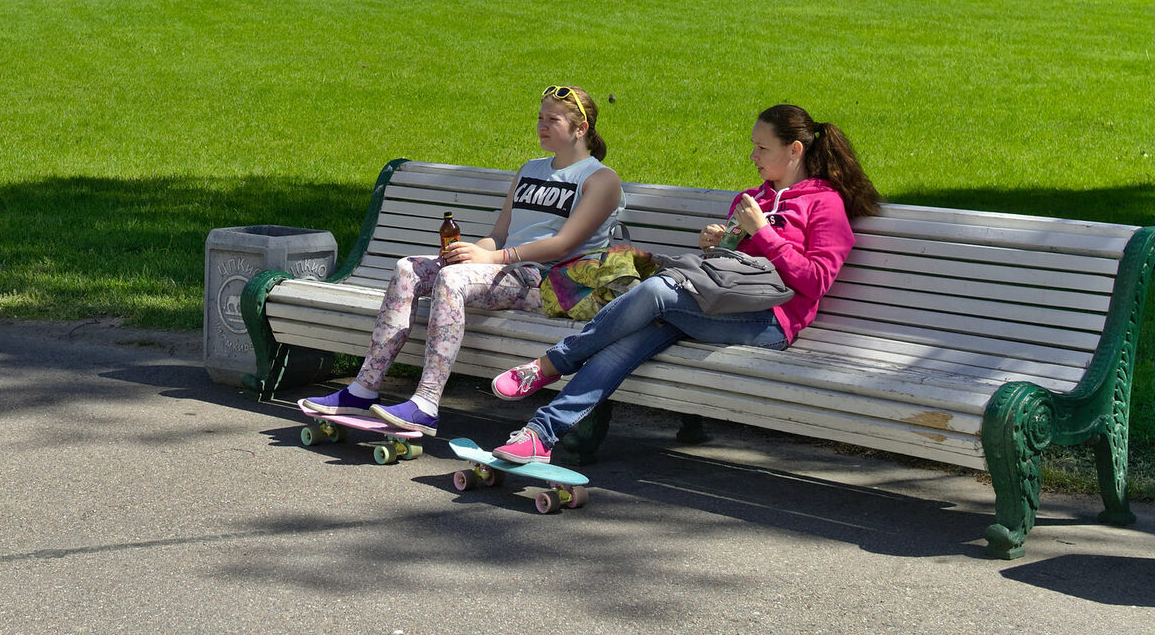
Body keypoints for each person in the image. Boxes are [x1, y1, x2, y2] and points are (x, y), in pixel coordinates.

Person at [486, 103, 880, 463]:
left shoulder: (824, 204)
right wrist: (720, 242)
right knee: (631, 337)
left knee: (658, 291)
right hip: (714, 304)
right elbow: (728, 270)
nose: (752, 156)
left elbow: (815, 281)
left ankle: (554, 362)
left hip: (771, 321)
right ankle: (539, 436)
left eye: (762, 148)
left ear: (794, 151)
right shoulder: (750, 199)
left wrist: (764, 233)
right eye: (753, 147)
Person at [301, 86, 625, 437]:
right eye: (539, 118)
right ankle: (363, 389)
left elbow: (565, 243)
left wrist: (490, 258)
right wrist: (469, 251)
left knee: (452, 281)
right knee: (408, 268)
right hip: (507, 269)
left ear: (581, 128)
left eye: (553, 120)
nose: (541, 126)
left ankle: (425, 403)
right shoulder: (530, 170)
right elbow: (498, 235)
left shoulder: (600, 179)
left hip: (551, 282)